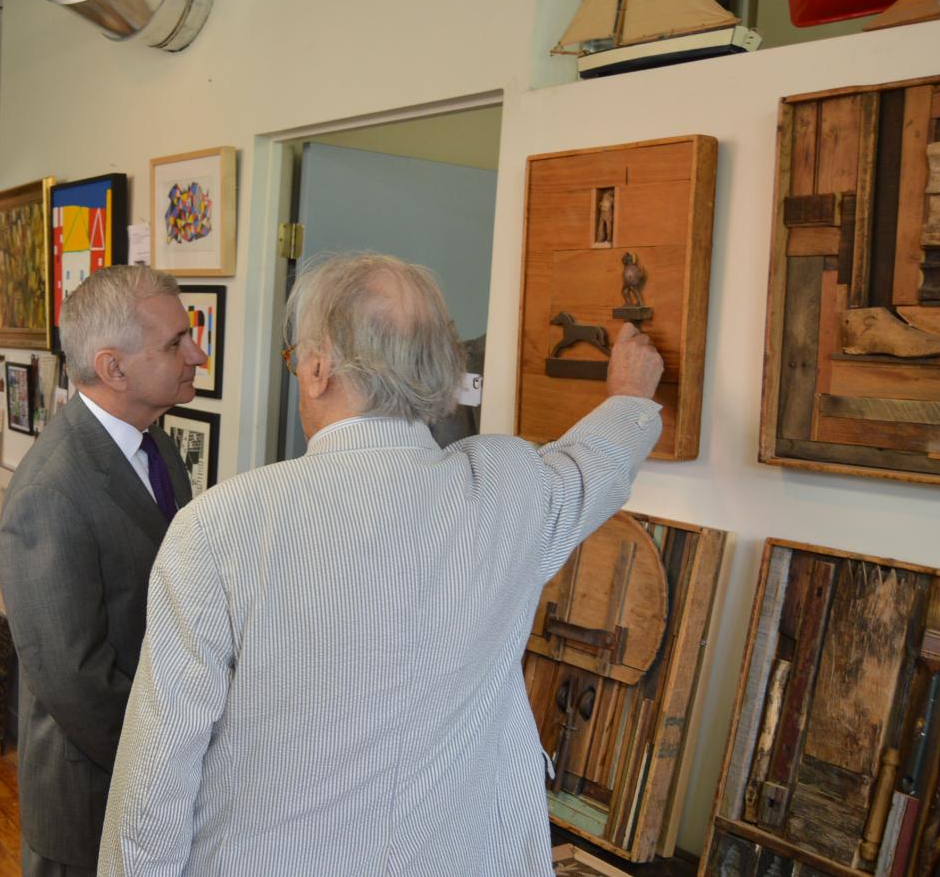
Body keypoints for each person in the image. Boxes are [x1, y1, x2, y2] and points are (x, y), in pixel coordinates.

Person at [98, 252, 665, 875]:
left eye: (296, 361)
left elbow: (160, 764)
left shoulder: (222, 524)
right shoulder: (508, 486)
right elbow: (594, 467)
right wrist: (632, 396)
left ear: (317, 369)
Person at [0, 265, 206, 876]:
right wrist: (174, 764)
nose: (197, 353)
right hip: (91, 801)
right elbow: (75, 681)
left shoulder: (159, 447)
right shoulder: (50, 491)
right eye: (175, 344)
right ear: (114, 368)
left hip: (152, 785)